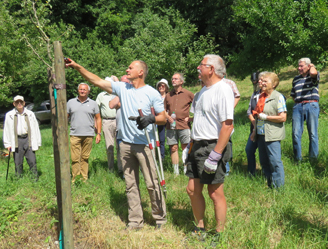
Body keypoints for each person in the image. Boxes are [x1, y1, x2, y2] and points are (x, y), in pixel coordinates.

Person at [66, 59, 167, 230]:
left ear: (140, 72)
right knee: (130, 185)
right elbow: (96, 81)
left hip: (145, 145)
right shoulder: (122, 87)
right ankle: (135, 221)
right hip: (126, 145)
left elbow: (163, 118)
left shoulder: (152, 93)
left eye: (130, 68)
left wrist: (151, 118)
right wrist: (77, 67)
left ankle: (159, 218)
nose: (127, 69)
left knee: (151, 183)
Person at [186, 54, 234, 241]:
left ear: (211, 69)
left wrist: (216, 154)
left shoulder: (223, 89)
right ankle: (200, 229)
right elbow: (197, 120)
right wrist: (189, 145)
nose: (198, 68)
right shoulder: (201, 92)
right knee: (192, 189)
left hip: (213, 146)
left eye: (202, 65)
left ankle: (219, 233)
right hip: (197, 146)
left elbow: (227, 125)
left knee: (214, 192)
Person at [251, 72, 287, 188]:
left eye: (266, 81)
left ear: (274, 84)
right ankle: (270, 184)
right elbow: (257, 116)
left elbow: (283, 117)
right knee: (264, 161)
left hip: (272, 135)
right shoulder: (261, 97)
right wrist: (254, 131)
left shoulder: (278, 97)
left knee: (275, 162)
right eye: (262, 81)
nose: (263, 83)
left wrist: (267, 117)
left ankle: (279, 188)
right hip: (261, 134)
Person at [67, 83, 101, 182]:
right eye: (81, 89)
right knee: (75, 158)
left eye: (84, 90)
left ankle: (84, 178)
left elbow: (98, 118)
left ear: (88, 91)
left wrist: (98, 133)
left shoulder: (93, 103)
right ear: (78, 90)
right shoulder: (71, 102)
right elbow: (65, 117)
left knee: (85, 158)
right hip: (75, 134)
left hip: (89, 134)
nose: (82, 91)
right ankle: (75, 179)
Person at [3, 95, 41, 181]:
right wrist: (7, 144)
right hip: (16, 140)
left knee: (32, 160)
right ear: (14, 104)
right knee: (18, 161)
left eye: (21, 102)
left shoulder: (30, 114)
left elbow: (36, 128)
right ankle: (19, 179)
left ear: (24, 103)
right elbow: (6, 130)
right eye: (17, 102)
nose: (19, 104)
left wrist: (38, 142)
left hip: (28, 139)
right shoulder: (9, 115)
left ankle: (34, 178)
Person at [290, 58, 320, 161]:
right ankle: (298, 159)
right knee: (295, 133)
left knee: (312, 133)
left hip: (311, 104)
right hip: (298, 106)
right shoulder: (295, 79)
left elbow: (313, 73)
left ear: (308, 66)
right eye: (298, 66)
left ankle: (313, 159)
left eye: (301, 66)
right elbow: (293, 95)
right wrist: (298, 103)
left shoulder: (313, 76)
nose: (299, 68)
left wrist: (311, 66)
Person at [165, 72, 194, 175]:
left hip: (184, 125)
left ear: (181, 81)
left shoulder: (188, 94)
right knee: (173, 148)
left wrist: (191, 118)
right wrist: (168, 117)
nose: (173, 80)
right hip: (171, 126)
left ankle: (186, 170)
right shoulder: (168, 95)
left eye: (176, 79)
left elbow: (199, 107)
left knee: (185, 147)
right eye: (172, 79)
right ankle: (176, 171)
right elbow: (163, 110)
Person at [96, 80, 118, 172]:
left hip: (118, 120)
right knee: (109, 146)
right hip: (106, 121)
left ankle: (121, 168)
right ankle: (111, 168)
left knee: (120, 146)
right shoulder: (101, 95)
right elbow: (96, 110)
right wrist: (96, 125)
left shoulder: (117, 93)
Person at [245, 71, 264, 175]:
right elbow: (249, 111)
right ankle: (251, 171)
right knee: (249, 149)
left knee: (262, 151)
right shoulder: (254, 94)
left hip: (263, 127)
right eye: (253, 82)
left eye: (257, 82)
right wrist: (254, 123)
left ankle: (265, 172)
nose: (255, 84)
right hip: (254, 127)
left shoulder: (267, 95)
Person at [222, 76, 240, 175]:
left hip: (226, 116)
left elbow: (237, 95)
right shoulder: (209, 82)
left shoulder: (229, 83)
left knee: (226, 140)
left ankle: (226, 168)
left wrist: (230, 108)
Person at [156, 78, 169, 160]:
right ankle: (158, 156)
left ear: (166, 87)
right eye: (160, 85)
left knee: (166, 140)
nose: (161, 87)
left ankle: (163, 157)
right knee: (158, 139)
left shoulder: (169, 96)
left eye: (163, 85)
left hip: (167, 120)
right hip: (157, 120)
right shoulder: (155, 96)